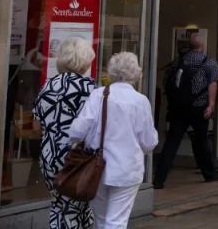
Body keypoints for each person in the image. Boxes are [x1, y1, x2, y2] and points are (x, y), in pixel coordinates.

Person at [68, 53, 158, 229]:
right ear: (136, 74)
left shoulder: (98, 95)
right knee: (117, 221)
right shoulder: (140, 101)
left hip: (96, 166)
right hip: (127, 168)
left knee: (100, 219)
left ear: (111, 72)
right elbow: (149, 142)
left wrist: (73, 142)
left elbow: (78, 130)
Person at [33, 37, 96, 229]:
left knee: (64, 205)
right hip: (76, 158)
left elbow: (36, 126)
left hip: (49, 155)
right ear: (84, 62)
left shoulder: (48, 86)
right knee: (71, 209)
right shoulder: (89, 88)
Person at [154, 32, 218, 190]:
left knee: (172, 142)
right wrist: (211, 104)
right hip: (199, 107)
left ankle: (159, 178)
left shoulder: (178, 61)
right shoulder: (209, 62)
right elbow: (213, 83)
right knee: (201, 140)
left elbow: (168, 81)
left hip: (179, 108)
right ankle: (208, 173)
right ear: (202, 45)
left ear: (189, 46)